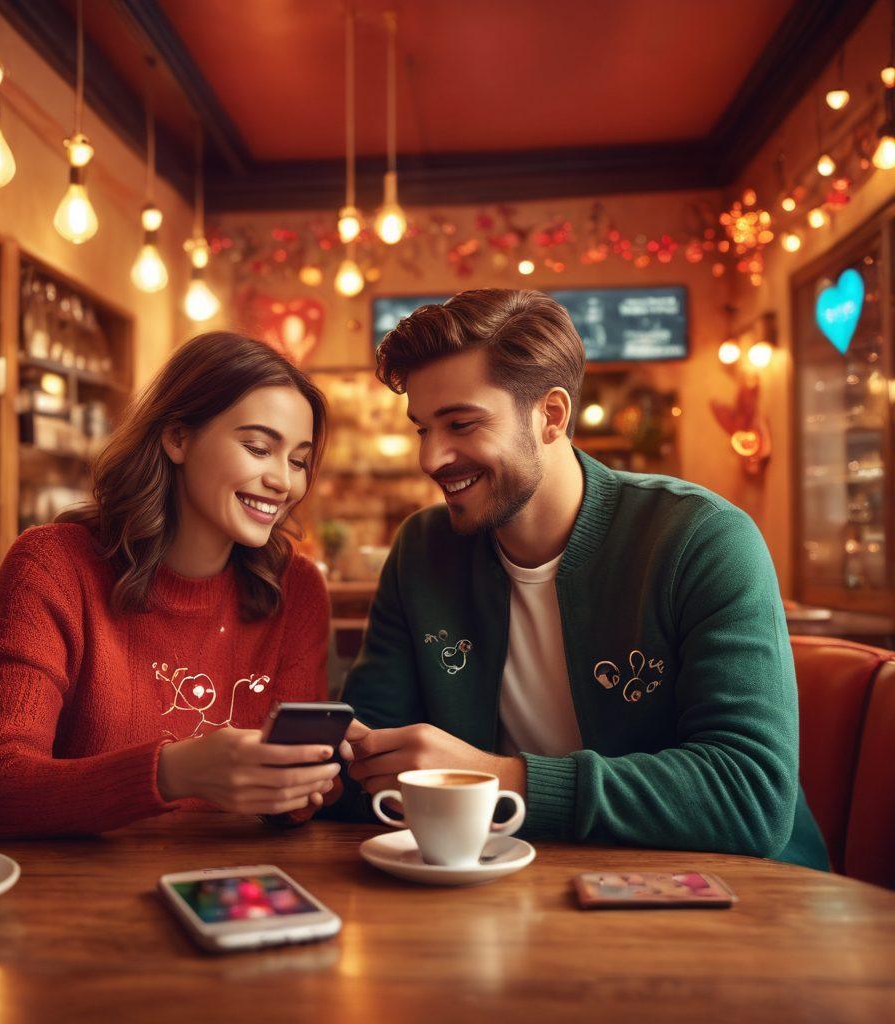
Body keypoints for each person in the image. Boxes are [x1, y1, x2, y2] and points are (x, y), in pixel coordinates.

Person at [337, 289, 828, 869]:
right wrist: (304, 783)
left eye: (461, 424)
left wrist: (499, 780)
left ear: (551, 415)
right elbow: (369, 762)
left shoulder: (702, 539)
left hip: (740, 896)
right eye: (423, 429)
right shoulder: (423, 551)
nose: (431, 458)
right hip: (512, 885)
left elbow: (749, 796)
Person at [0, 332, 343, 839]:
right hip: (78, 899)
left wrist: (310, 782)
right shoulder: (53, 565)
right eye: (258, 448)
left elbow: (291, 809)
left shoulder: (297, 589)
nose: (283, 482)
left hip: (241, 892)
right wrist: (170, 773)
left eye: (297, 460)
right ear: (177, 438)